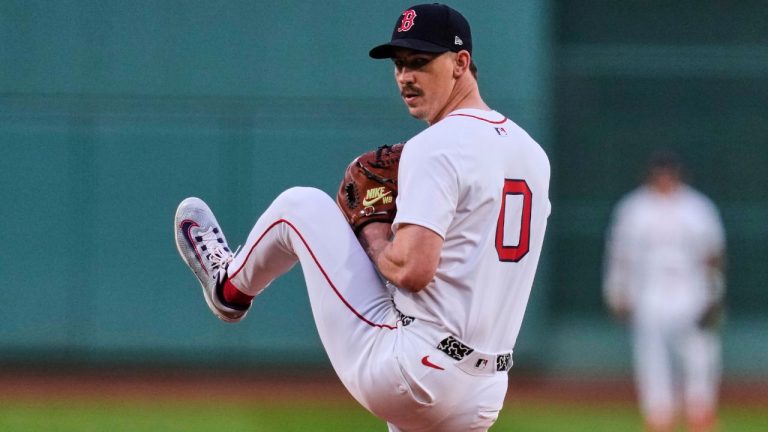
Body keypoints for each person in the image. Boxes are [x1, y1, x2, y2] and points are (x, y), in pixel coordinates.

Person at [174, 4, 550, 431]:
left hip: (416, 370)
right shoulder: (531, 153)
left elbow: (411, 269)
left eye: (420, 62)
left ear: (461, 63)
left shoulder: (436, 145)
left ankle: (229, 286)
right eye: (399, 64)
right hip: (484, 389)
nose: (405, 76)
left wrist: (370, 228)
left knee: (303, 207)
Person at [603, 150, 726, 432]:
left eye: (669, 172)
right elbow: (620, 255)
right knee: (651, 357)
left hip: (691, 288)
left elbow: (713, 255)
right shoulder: (633, 208)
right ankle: (659, 416)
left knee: (699, 354)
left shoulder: (697, 207)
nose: (664, 178)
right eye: (659, 173)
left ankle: (700, 413)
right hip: (649, 289)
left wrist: (714, 293)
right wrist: (616, 291)